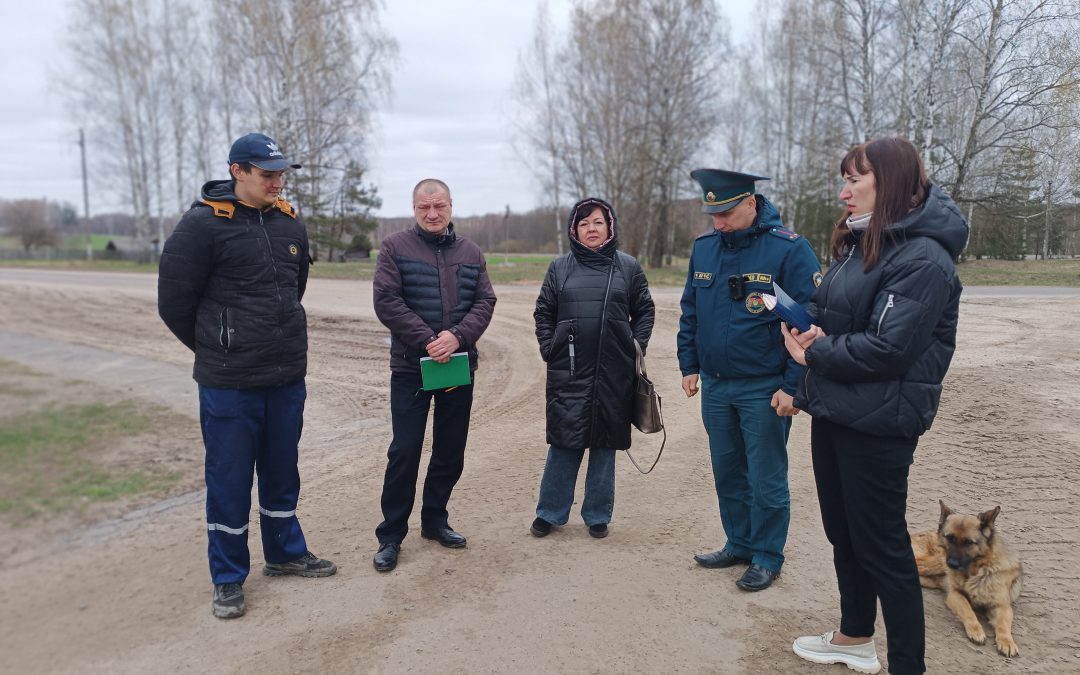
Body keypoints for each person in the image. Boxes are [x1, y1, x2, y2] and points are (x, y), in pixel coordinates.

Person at [785, 137, 966, 675]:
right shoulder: (865, 245)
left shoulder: (924, 258)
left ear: (887, 184)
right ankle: (854, 637)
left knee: (884, 547)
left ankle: (907, 665)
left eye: (853, 181)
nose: (843, 192)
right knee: (844, 534)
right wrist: (801, 323)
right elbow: (836, 316)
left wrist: (815, 350)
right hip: (839, 410)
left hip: (880, 421)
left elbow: (889, 349)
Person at [158, 132, 336, 620]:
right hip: (229, 384)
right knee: (230, 479)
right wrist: (221, 347)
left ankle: (284, 554)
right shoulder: (201, 227)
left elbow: (293, 292)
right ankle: (228, 577)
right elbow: (174, 305)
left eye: (281, 173)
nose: (277, 181)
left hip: (285, 378)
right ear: (238, 171)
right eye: (267, 173)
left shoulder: (290, 226)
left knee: (282, 471)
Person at [677, 169, 821, 591]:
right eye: (712, 214)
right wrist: (689, 364)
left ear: (751, 203)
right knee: (727, 470)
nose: (717, 222)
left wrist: (793, 385)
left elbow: (808, 323)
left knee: (765, 475)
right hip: (717, 385)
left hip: (765, 386)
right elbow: (691, 311)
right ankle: (739, 542)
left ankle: (767, 555)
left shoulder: (788, 250)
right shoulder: (704, 249)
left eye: (725, 212)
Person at [371, 178, 497, 572]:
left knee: (449, 448)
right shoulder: (394, 247)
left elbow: (485, 299)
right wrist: (429, 340)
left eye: (439, 206)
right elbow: (386, 301)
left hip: (458, 367)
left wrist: (457, 336)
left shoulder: (471, 251)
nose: (432, 213)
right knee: (405, 451)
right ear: (414, 208)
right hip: (411, 368)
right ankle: (391, 535)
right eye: (424, 207)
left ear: (450, 207)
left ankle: (435, 520)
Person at [530, 198, 655, 539]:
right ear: (574, 229)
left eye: (598, 222)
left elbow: (644, 310)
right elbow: (544, 312)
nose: (591, 229)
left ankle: (598, 514)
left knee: (604, 443)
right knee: (564, 441)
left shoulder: (628, 267)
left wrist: (635, 347)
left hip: (615, 371)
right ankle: (550, 512)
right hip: (568, 371)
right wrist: (549, 348)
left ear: (609, 227)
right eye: (584, 224)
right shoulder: (560, 268)